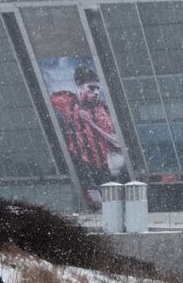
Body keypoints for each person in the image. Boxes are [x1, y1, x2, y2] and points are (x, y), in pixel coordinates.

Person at [49, 65, 128, 208]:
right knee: (96, 199)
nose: (96, 92)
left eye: (97, 88)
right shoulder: (69, 101)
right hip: (81, 161)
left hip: (101, 164)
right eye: (91, 88)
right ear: (79, 86)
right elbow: (46, 100)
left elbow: (116, 142)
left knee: (110, 201)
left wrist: (92, 124)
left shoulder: (101, 110)